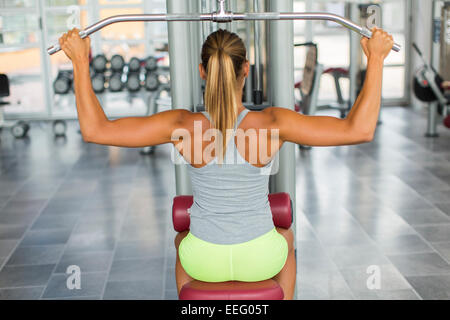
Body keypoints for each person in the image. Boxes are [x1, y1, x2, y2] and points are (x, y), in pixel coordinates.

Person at [58, 27, 393, 300]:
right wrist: (375, 59)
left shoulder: (181, 125)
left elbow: (95, 130)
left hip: (204, 262)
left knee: (181, 241)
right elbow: (359, 130)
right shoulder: (273, 122)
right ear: (246, 69)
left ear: (202, 71)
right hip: (260, 259)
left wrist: (79, 62)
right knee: (286, 238)